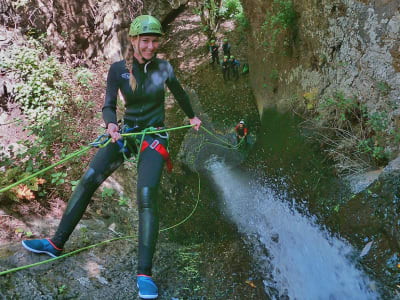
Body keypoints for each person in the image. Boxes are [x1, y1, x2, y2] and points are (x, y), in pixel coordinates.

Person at [21, 15, 202, 299]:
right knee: (89, 178)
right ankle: (56, 244)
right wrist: (111, 124)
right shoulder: (118, 70)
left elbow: (179, 94)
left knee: (146, 194)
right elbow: (108, 105)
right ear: (133, 41)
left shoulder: (164, 68)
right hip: (126, 134)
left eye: (155, 41)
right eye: (145, 41)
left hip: (153, 137)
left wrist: (192, 117)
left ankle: (144, 273)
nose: (151, 46)